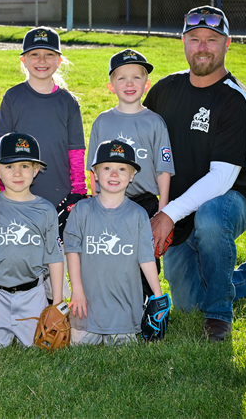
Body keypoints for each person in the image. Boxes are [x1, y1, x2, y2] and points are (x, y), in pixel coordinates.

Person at [143, 5, 246, 342]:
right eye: (194, 38)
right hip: (179, 210)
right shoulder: (163, 91)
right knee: (187, 306)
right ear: (183, 42)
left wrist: (167, 214)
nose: (202, 47)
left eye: (211, 39)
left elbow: (222, 179)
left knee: (211, 218)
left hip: (227, 201)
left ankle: (218, 319)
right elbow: (142, 149)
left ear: (227, 43)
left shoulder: (235, 99)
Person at [0, 26, 86, 303]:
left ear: (59, 60)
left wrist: (78, 191)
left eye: (49, 55)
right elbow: (0, 145)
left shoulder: (68, 102)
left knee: (56, 253)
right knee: (22, 250)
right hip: (19, 192)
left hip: (59, 193)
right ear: (23, 60)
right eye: (34, 55)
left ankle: (58, 305)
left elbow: (76, 149)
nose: (42, 61)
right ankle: (21, 304)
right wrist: (4, 188)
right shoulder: (13, 97)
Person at [87, 49, 175, 303]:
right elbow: (94, 169)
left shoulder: (155, 122)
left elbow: (164, 168)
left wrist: (162, 209)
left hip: (145, 203)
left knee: (145, 257)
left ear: (146, 84)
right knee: (111, 254)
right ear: (110, 85)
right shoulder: (102, 122)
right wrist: (96, 204)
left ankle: (148, 306)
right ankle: (111, 304)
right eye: (121, 78)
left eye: (136, 78)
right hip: (110, 202)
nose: (129, 84)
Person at [64, 140, 164, 346]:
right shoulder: (82, 210)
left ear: (132, 175)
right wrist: (77, 290)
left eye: (122, 169)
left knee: (125, 352)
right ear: (95, 173)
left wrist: (158, 296)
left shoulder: (138, 215)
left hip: (125, 315)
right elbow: (73, 252)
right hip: (85, 310)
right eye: (107, 168)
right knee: (79, 349)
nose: (114, 174)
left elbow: (146, 257)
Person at [0, 132, 64, 349]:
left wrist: (59, 302)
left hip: (32, 293)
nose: (17, 173)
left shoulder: (45, 209)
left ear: (35, 170)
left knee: (39, 347)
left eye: (25, 166)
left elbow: (54, 256)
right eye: (9, 166)